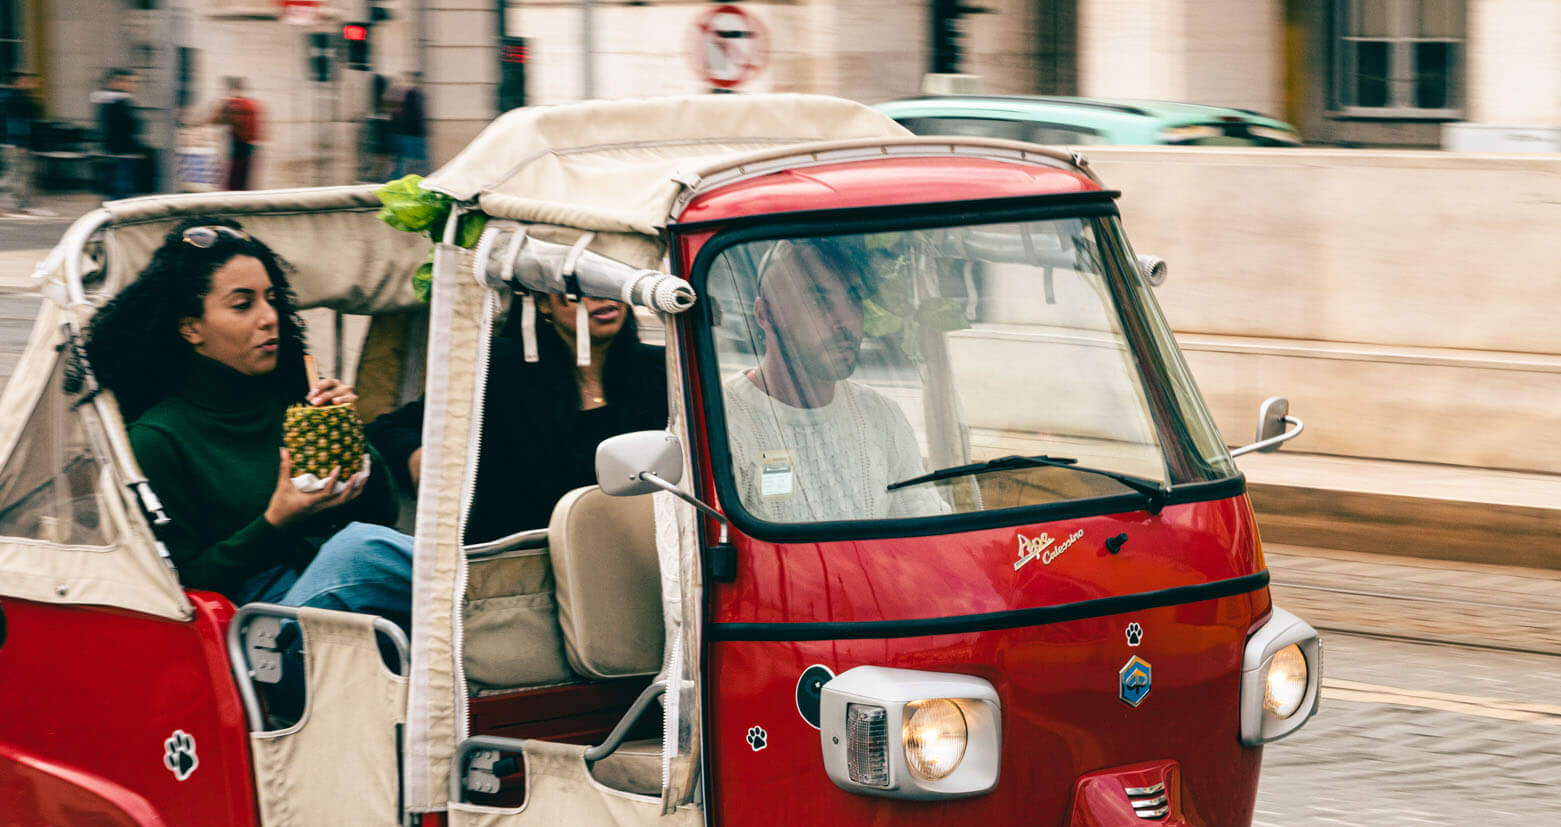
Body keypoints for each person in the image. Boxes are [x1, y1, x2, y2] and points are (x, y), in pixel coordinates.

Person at [83, 218, 413, 619]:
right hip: (252, 634)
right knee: (360, 550)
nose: (268, 316)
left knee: (375, 545)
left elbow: (383, 513)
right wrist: (275, 522)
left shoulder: (294, 402)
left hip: (341, 604)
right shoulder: (158, 438)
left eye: (271, 299)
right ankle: (482, 593)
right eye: (243, 304)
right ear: (191, 328)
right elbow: (178, 588)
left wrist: (349, 436)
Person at [367, 291, 667, 544]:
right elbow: (387, 430)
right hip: (518, 565)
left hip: (633, 554)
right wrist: (418, 456)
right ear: (542, 301)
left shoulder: (664, 369)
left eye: (609, 282)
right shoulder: (498, 367)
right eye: (578, 285)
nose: (601, 294)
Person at [720, 238, 946, 522]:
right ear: (765, 314)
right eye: (818, 301)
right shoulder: (722, 424)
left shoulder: (882, 417)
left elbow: (925, 527)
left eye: (853, 299)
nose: (845, 320)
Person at [93, 69, 147, 199]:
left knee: (118, 187)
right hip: (122, 153)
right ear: (116, 82)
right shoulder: (117, 102)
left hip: (119, 152)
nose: (133, 85)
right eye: (129, 81)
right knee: (121, 188)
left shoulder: (110, 100)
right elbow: (123, 128)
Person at [0, 72, 47, 215]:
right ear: (18, 82)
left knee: (21, 177)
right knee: (14, 176)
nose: (30, 84)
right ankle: (23, 205)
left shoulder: (16, 98)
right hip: (16, 144)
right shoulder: (15, 99)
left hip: (16, 143)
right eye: (26, 81)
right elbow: (16, 124)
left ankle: (23, 205)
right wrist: (20, 143)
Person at [210, 77, 263, 192]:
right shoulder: (252, 104)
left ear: (231, 89)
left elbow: (216, 120)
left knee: (234, 185)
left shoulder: (234, 105)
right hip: (249, 148)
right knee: (243, 183)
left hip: (238, 148)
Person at [389, 73, 427, 177]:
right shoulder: (413, 94)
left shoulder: (410, 94)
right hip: (411, 135)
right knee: (409, 163)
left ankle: (392, 180)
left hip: (406, 134)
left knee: (402, 162)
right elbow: (412, 116)